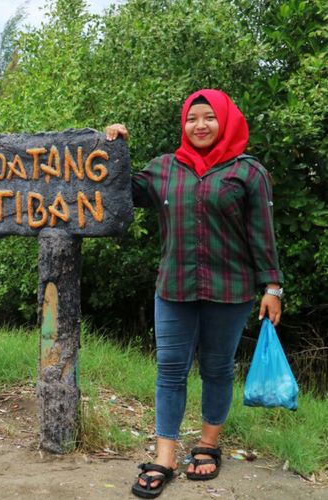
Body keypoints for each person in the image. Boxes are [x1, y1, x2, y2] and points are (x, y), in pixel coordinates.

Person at [105, 88, 283, 499]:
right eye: (191, 119)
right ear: (183, 124)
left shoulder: (247, 171)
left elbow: (263, 235)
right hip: (174, 287)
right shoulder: (166, 168)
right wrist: (115, 150)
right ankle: (164, 456)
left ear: (225, 120)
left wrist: (271, 286)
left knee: (217, 368)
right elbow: (124, 192)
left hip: (231, 288)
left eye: (208, 117)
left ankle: (208, 444)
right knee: (170, 368)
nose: (200, 125)